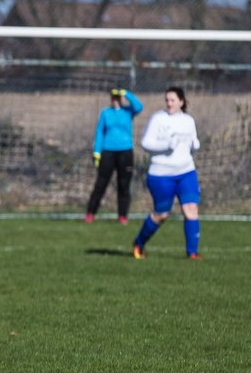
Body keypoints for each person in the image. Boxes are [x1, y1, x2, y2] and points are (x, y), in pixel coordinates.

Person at [132, 86, 202, 260]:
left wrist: (195, 145)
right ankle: (139, 243)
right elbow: (145, 143)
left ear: (181, 102)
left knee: (191, 209)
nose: (169, 103)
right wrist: (166, 145)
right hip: (161, 174)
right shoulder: (158, 119)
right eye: (167, 100)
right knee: (161, 214)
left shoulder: (188, 121)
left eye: (173, 100)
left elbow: (191, 143)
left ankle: (192, 253)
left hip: (186, 172)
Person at [85, 88, 144, 224]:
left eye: (118, 97)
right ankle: (90, 213)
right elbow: (100, 132)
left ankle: (122, 215)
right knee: (101, 184)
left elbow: (139, 106)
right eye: (113, 97)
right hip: (108, 152)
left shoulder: (128, 111)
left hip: (125, 152)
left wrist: (126, 94)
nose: (115, 100)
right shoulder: (106, 113)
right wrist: (97, 152)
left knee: (124, 185)